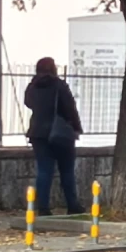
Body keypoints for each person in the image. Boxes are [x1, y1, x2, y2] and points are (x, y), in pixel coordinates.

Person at [24, 57, 84, 215]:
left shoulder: (32, 86)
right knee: (67, 170)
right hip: (60, 133)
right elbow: (70, 108)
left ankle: (43, 207)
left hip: (38, 134)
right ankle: (72, 205)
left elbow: (28, 103)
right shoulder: (60, 85)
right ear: (53, 69)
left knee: (44, 170)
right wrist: (76, 128)